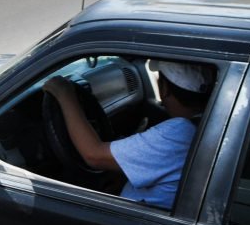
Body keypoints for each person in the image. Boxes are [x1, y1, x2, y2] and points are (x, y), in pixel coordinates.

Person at [42, 59, 214, 210]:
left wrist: (64, 94)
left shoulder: (180, 132)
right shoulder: (207, 124)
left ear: (164, 88)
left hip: (139, 224)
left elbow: (93, 155)